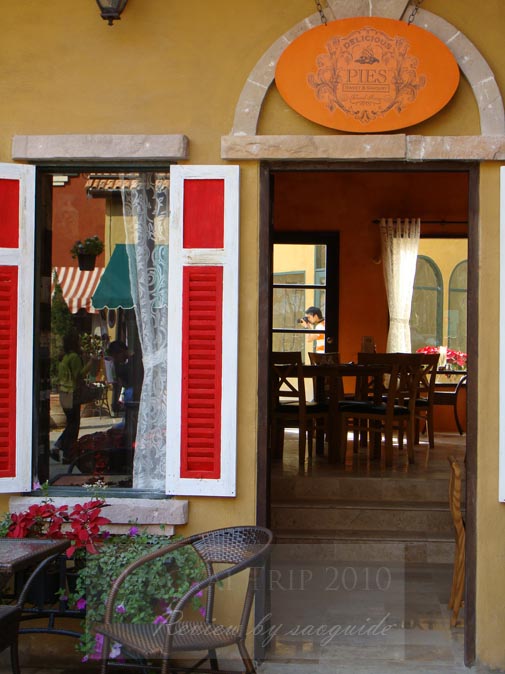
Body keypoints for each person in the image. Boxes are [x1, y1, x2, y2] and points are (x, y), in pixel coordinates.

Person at [52, 332, 93, 464]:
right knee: (74, 425)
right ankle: (59, 446)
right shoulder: (74, 357)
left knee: (71, 423)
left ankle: (67, 454)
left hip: (63, 392)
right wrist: (90, 364)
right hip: (72, 393)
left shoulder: (64, 357)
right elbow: (78, 375)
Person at [105, 340, 133, 414]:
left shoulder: (133, 362)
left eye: (115, 356)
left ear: (121, 352)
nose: (116, 359)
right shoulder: (121, 366)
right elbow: (121, 385)